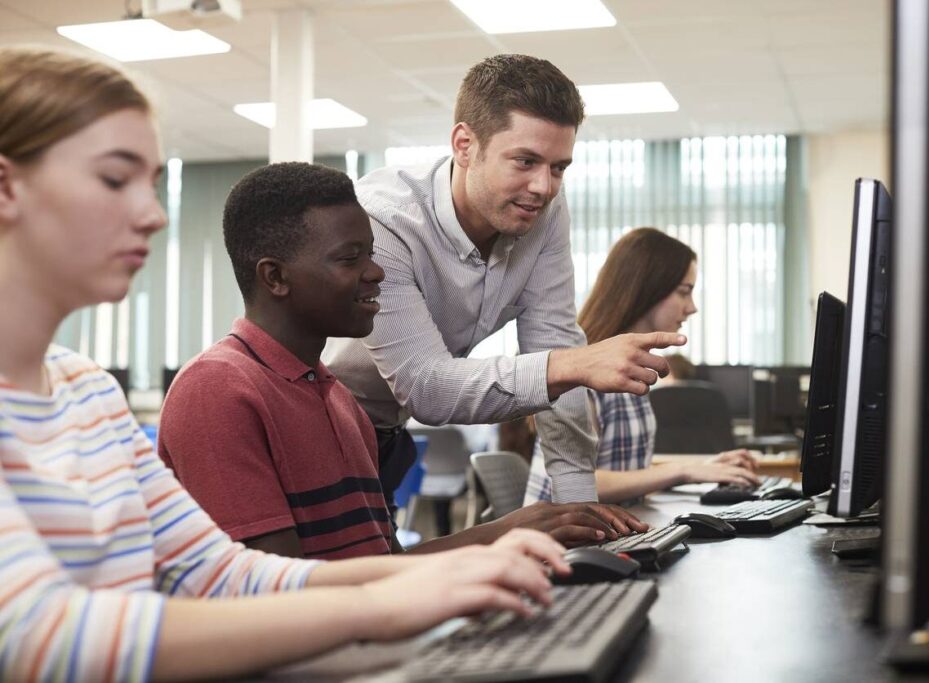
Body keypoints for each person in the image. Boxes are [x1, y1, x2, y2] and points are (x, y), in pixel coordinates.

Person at [0, 46, 567, 681]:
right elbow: (39, 635)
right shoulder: (215, 387)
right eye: (113, 179)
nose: (154, 215)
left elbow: (221, 572)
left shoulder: (86, 393)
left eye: (154, 184)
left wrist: (457, 566)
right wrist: (383, 603)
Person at [159, 162, 649, 557]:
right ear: (275, 277)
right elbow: (277, 598)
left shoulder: (337, 398)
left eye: (371, 253)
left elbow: (382, 564)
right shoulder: (218, 391)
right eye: (351, 259)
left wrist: (513, 531)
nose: (377, 272)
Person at [323, 54, 681, 513]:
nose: (544, 187)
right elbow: (426, 387)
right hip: (315, 429)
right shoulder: (383, 221)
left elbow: (553, 338)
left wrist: (581, 512)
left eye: (558, 167)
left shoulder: (542, 209)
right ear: (464, 144)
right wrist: (569, 365)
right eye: (526, 161)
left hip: (388, 433)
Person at [525, 228, 761, 505]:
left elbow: (626, 475)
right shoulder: (582, 368)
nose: (692, 307)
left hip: (610, 533)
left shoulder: (632, 369)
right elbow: (574, 484)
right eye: (684, 292)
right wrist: (682, 471)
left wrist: (707, 466)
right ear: (648, 290)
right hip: (557, 542)